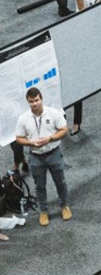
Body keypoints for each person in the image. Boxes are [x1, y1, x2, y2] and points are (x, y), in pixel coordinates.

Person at [14, 88, 70, 227]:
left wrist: (50, 138)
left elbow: (64, 130)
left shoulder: (53, 113)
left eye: (37, 100)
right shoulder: (23, 119)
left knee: (60, 182)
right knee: (39, 186)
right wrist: (30, 142)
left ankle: (64, 206)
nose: (34, 104)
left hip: (53, 153)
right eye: (31, 101)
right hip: (35, 157)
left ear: (41, 99)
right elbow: (18, 138)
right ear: (28, 102)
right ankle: (43, 211)